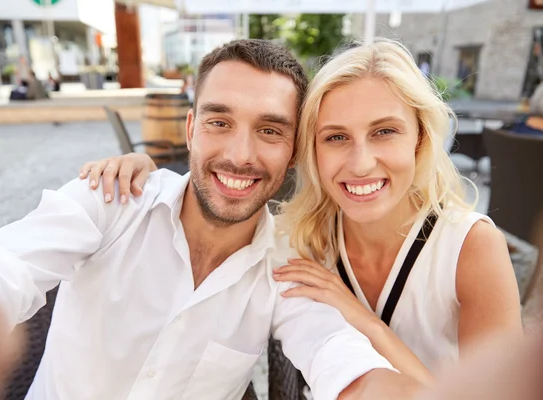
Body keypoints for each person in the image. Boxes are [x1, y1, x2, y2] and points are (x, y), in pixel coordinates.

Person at [0, 39, 415, 400]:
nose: (239, 155)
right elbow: (2, 268)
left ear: (294, 153)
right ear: (191, 130)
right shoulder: (110, 200)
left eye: (270, 130)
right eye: (219, 122)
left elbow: (336, 353)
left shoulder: (284, 267)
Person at [81, 38, 523, 384]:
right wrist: (149, 175)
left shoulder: (470, 248)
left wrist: (366, 323)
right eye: (336, 137)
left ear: (421, 140)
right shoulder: (300, 239)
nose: (360, 162)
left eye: (385, 131)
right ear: (307, 150)